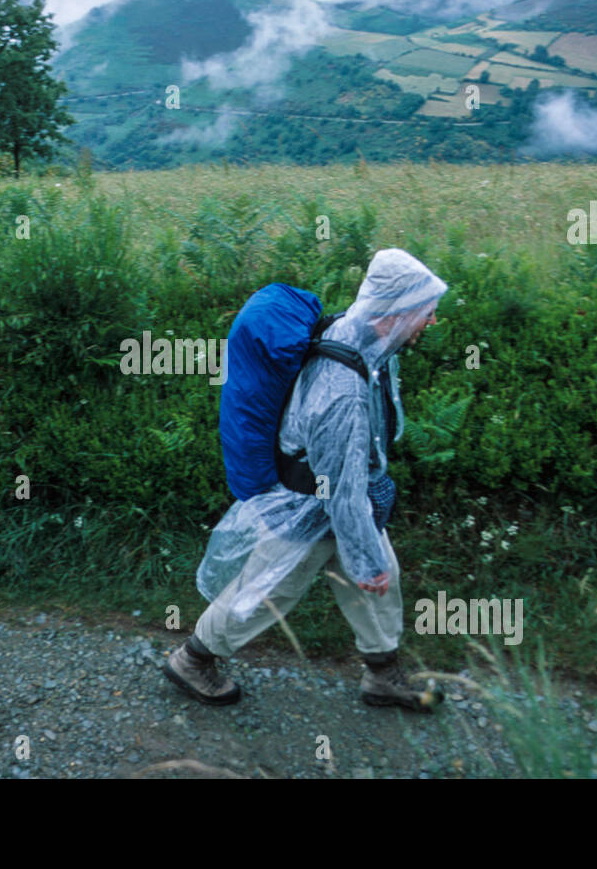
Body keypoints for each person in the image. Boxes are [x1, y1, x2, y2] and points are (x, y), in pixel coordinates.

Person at [163, 248, 447, 710]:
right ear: (394, 313)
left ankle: (383, 676)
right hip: (310, 504)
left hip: (340, 500)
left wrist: (366, 555)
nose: (432, 321)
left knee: (378, 575)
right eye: (426, 311)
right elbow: (341, 490)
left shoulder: (367, 342)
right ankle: (193, 660)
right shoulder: (342, 391)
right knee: (267, 591)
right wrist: (364, 556)